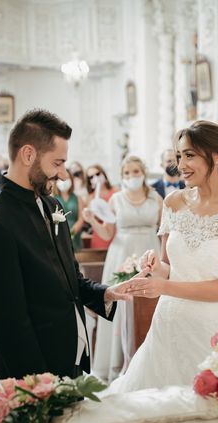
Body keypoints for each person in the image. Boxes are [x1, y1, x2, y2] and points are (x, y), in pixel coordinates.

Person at [105, 120, 218, 394]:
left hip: (208, 331)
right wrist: (155, 268)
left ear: (217, 155)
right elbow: (170, 267)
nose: (180, 165)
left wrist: (164, 286)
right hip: (166, 324)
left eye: (189, 155)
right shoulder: (174, 203)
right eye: (179, 156)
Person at [0, 109, 130, 381]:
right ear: (28, 154)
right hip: (32, 373)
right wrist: (39, 387)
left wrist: (106, 293)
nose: (64, 175)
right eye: (57, 163)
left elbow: (68, 277)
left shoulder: (52, 205)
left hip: (69, 358)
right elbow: (9, 322)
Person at [85, 155, 162, 382]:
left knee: (150, 303)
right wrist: (92, 221)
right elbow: (108, 234)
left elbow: (163, 230)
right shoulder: (115, 200)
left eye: (135, 172)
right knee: (120, 305)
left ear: (143, 173)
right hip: (121, 253)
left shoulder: (155, 198)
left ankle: (149, 360)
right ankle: (118, 362)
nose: (131, 177)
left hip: (150, 251)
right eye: (127, 173)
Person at [85, 164, 116, 249]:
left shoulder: (116, 191)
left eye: (98, 174)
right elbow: (91, 218)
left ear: (103, 174)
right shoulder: (91, 197)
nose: (95, 178)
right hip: (100, 233)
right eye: (91, 177)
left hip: (116, 232)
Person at [53, 170, 85, 251]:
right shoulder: (52, 198)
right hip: (57, 234)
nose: (64, 181)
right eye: (61, 178)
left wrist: (71, 233)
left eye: (67, 178)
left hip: (74, 235)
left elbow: (81, 219)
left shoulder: (78, 198)